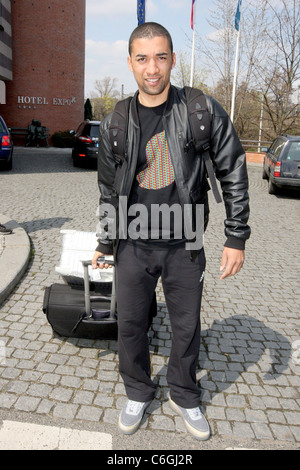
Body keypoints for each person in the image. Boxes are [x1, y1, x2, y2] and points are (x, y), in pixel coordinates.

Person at [92, 22, 250, 440]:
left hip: (186, 243)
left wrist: (236, 237)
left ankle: (184, 393)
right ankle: (139, 390)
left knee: (186, 325)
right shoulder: (116, 122)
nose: (152, 68)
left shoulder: (201, 110)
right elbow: (108, 189)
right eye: (142, 58)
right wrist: (106, 241)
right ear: (130, 63)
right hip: (133, 244)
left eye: (161, 57)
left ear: (173, 60)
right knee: (129, 325)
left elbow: (232, 168)